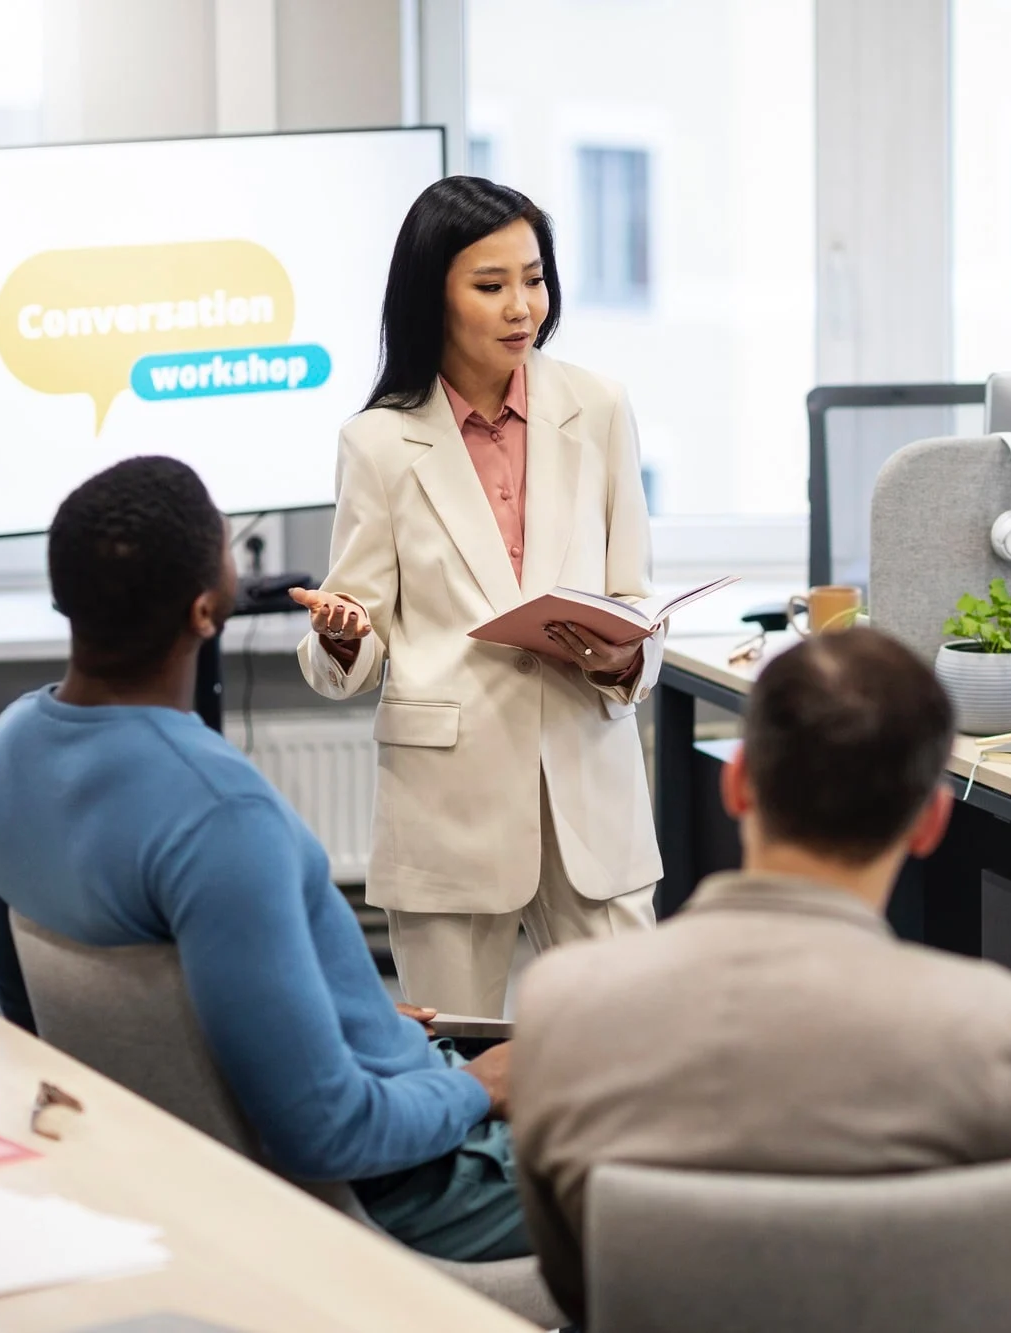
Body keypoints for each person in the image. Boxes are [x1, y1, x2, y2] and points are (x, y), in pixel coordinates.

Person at [510, 628, 1011, 1333]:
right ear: (930, 821)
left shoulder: (563, 998)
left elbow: (578, 1280)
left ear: (736, 781)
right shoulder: (989, 1024)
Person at [0, 458, 530, 1262]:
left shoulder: (5, 755)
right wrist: (483, 1085)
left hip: (210, 1162)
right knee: (685, 1143)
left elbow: (33, 1023)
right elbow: (329, 1132)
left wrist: (324, 1009)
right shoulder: (220, 815)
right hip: (410, 1186)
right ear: (207, 607)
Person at [290, 176, 660, 1017]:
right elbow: (347, 646)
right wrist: (346, 637)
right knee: (455, 1065)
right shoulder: (379, 441)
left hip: (588, 792)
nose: (521, 306)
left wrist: (625, 651)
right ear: (435, 296)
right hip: (448, 807)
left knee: (635, 1042)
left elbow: (634, 596)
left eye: (533, 278)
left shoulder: (598, 408)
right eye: (491, 286)